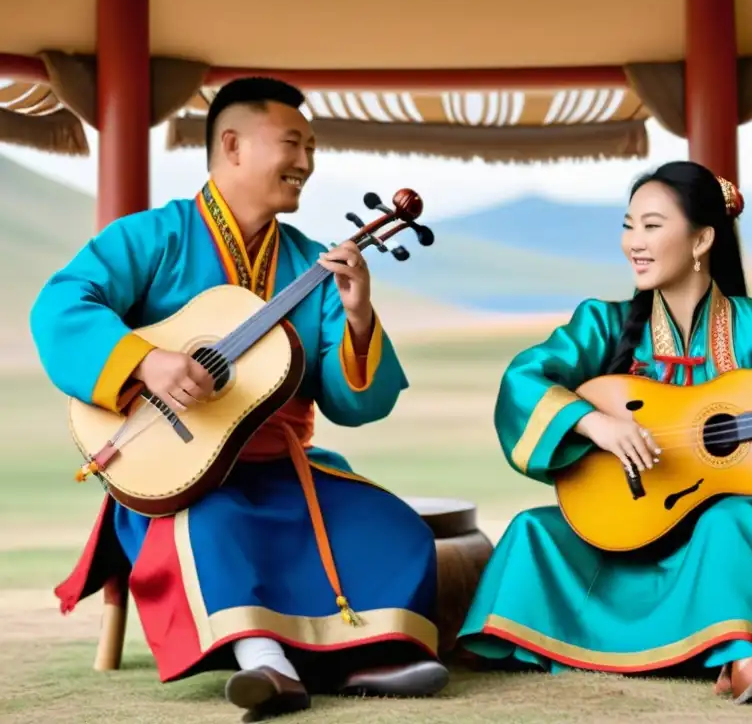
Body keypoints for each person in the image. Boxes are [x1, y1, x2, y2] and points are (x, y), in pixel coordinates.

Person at [32, 77, 448, 721]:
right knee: (213, 524)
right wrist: (148, 361)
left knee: (395, 528)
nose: (307, 161)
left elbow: (357, 404)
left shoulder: (315, 265)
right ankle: (266, 664)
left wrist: (359, 315)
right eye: (292, 142)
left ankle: (368, 658)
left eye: (311, 145)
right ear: (231, 145)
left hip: (284, 466)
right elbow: (60, 305)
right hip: (177, 473)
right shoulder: (151, 238)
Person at [455, 160, 752, 704]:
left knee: (731, 520)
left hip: (727, 540)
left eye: (652, 226)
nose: (634, 242)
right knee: (535, 529)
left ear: (702, 239)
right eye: (628, 226)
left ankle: (743, 655)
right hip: (626, 532)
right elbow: (524, 380)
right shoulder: (603, 324)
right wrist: (593, 421)